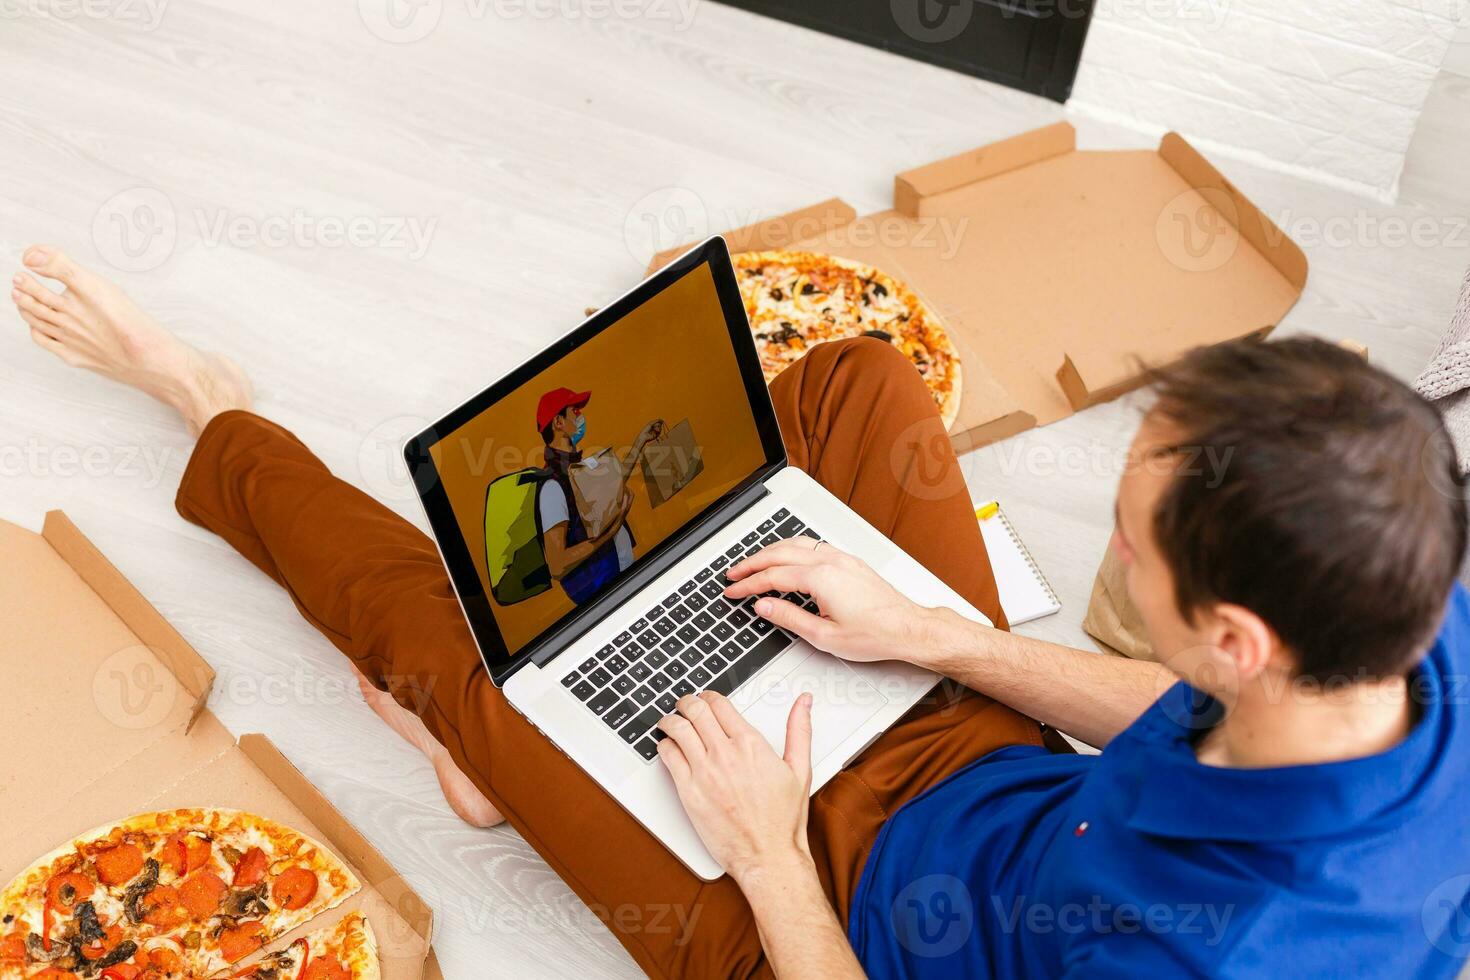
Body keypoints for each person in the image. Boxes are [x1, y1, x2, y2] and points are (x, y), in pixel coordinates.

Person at [12, 244, 1470, 978]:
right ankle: (590, 666)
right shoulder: (1413, 628)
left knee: (468, 663)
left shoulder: (1206, 958)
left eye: (1131, 550)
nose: (1111, 551)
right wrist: (935, 638)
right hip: (985, 774)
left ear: (1237, 641)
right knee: (856, 387)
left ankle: (210, 416)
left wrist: (768, 851)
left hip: (814, 916)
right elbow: (1183, 714)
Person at [534, 386, 663, 604]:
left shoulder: (575, 469)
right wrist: (610, 532)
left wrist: (640, 441)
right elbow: (557, 565)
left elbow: (611, 489)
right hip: (603, 594)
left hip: (622, 576)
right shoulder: (552, 488)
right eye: (574, 411)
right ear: (558, 423)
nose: (581, 417)